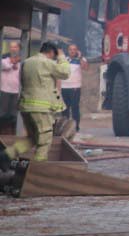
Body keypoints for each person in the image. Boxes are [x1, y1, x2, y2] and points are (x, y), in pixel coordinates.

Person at [6, 40, 70, 171]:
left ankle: (5, 156)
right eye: (54, 54)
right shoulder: (46, 62)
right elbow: (65, 72)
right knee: (45, 140)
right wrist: (62, 56)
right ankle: (37, 170)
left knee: (33, 138)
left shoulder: (27, 62)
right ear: (51, 52)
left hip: (26, 107)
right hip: (41, 108)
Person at [60, 43, 83, 136]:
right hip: (64, 87)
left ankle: (76, 127)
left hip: (75, 87)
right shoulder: (64, 60)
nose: (72, 51)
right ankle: (65, 128)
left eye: (74, 49)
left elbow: (86, 67)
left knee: (75, 108)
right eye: (70, 49)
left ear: (77, 50)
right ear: (68, 50)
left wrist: (80, 58)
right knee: (65, 109)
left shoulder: (80, 60)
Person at [0, 40, 21, 133]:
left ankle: (12, 132)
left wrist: (16, 62)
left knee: (14, 113)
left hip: (17, 91)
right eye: (12, 47)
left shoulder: (22, 59)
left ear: (19, 48)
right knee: (3, 112)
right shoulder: (4, 58)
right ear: (9, 48)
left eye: (15, 47)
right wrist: (13, 63)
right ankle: (2, 131)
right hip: (4, 89)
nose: (13, 49)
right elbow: (5, 66)